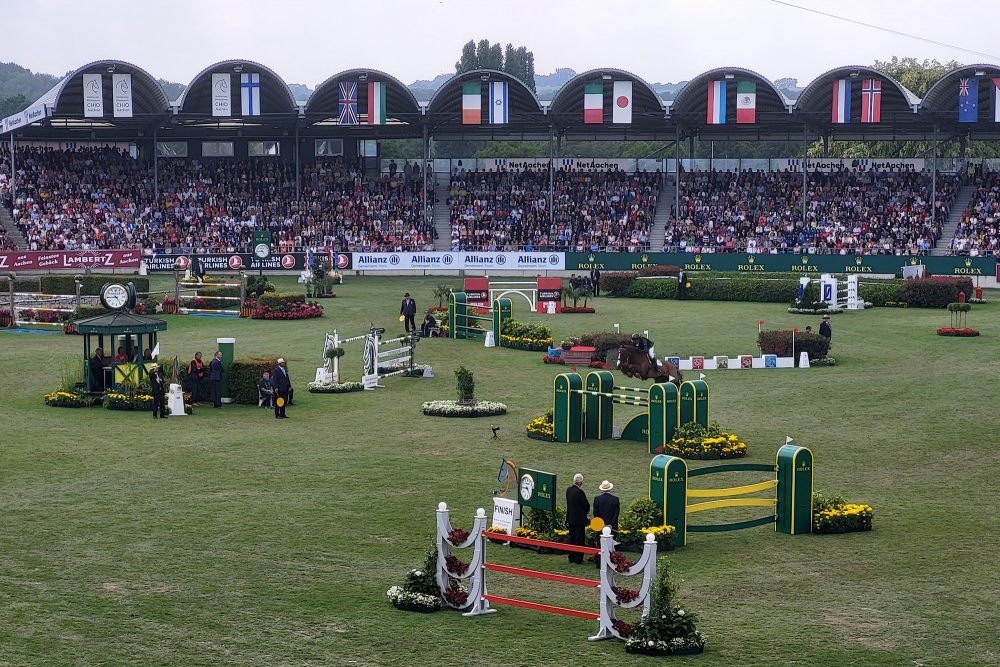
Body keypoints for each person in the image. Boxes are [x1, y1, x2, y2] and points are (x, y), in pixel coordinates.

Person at [566, 473, 590, 565]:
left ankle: (571, 556)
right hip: (579, 520)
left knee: (571, 538)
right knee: (579, 540)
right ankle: (578, 558)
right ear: (581, 482)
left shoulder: (569, 490)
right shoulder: (580, 492)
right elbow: (586, 505)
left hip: (571, 518)